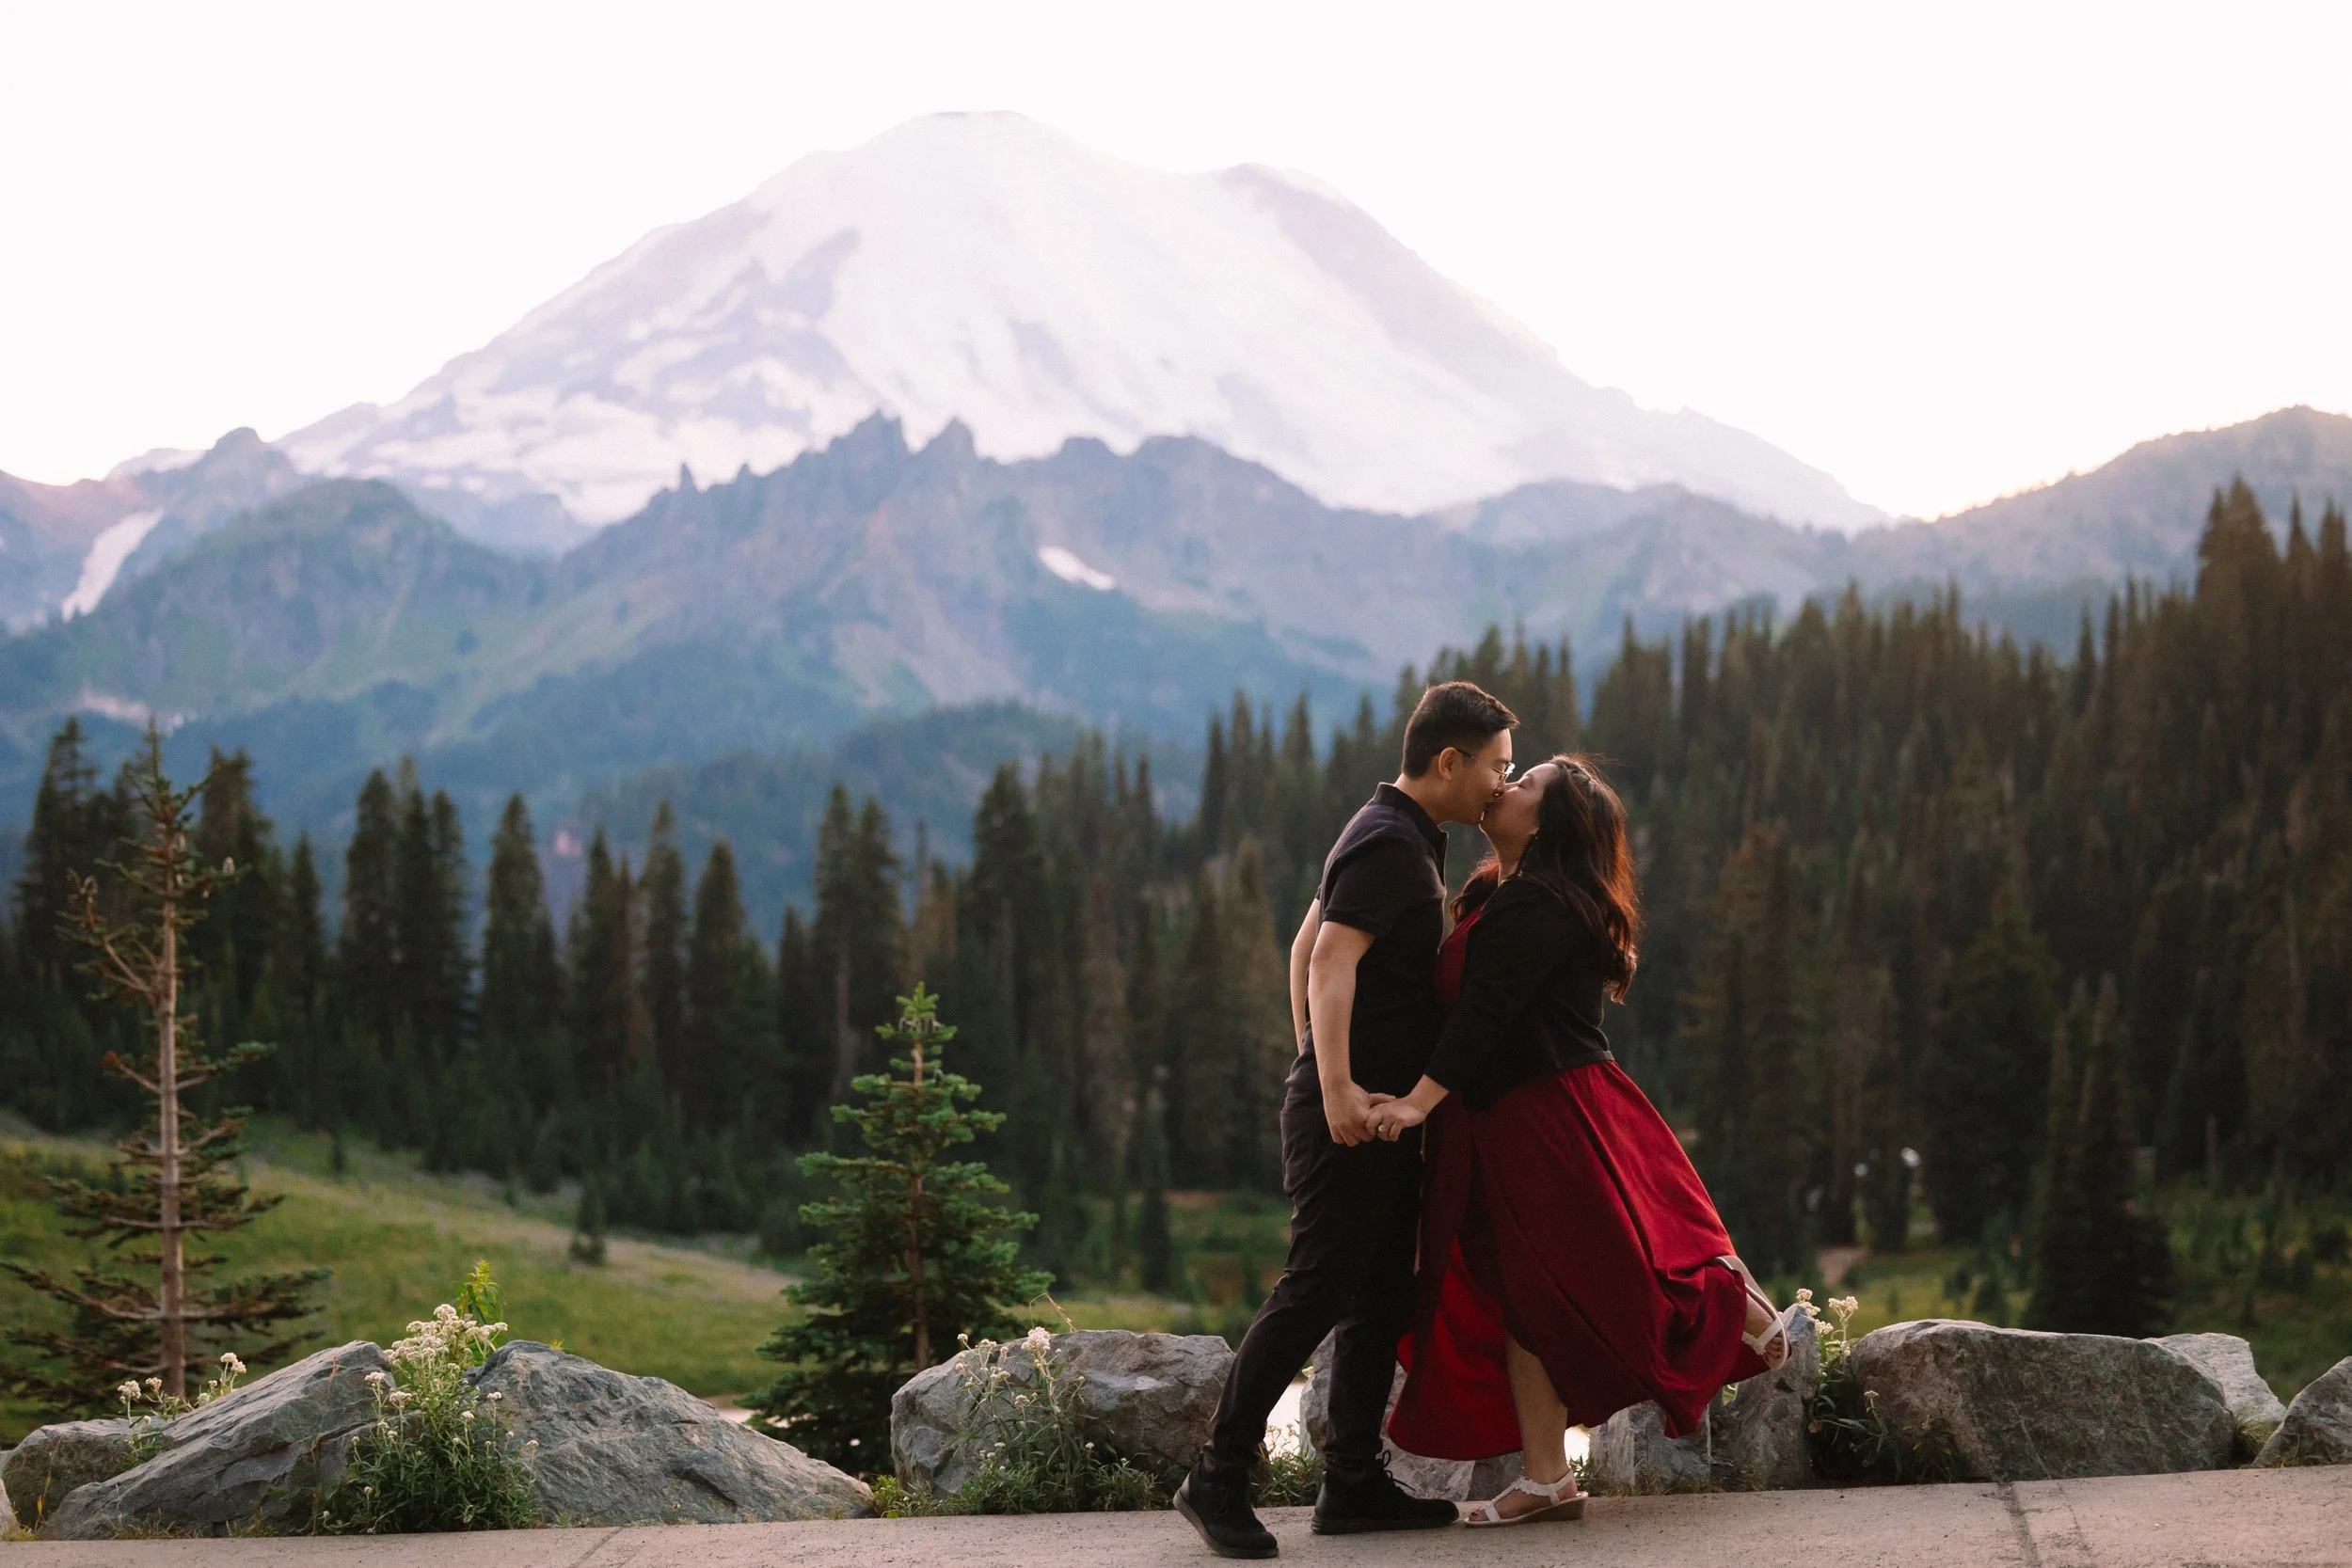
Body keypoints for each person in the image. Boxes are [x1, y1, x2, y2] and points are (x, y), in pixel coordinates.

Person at [1365, 754, 1803, 1528]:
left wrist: (1415, 1103)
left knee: (1597, 1266)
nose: (1505, 786)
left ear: (1547, 825)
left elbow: (1484, 1016)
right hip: (1497, 1122)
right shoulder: (1497, 895)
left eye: (1524, 783)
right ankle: (1547, 1479)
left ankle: (1727, 1299)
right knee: (1520, 1295)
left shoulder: (1540, 904)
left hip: (1547, 1114)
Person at [1174, 681, 1519, 1560]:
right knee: (1318, 1286)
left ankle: (1353, 1479)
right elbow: (1328, 959)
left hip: (1376, 1114)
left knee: (1380, 1292)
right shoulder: (1388, 842)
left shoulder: (1396, 832)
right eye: (1496, 766)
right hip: (1349, 1115)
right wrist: (1330, 1085)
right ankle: (1216, 1474)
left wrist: (1321, 1064)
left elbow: (1304, 944)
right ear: (1450, 760)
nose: (1502, 784)